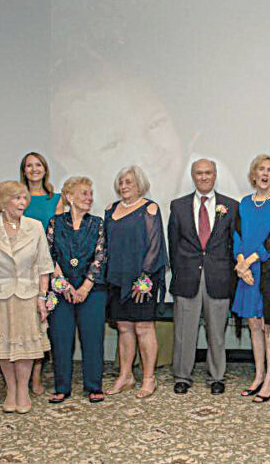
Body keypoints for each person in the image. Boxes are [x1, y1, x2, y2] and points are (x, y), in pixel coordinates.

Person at [0, 181, 54, 414]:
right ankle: (11, 389)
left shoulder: (35, 227)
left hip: (27, 295)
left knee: (26, 348)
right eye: (17, 198)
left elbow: (44, 266)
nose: (22, 203)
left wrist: (42, 297)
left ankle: (23, 391)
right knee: (3, 346)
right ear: (3, 202)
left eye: (24, 198)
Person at [168, 159, 239, 396]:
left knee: (217, 332)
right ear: (193, 176)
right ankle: (182, 376)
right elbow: (173, 245)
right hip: (187, 278)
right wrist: (181, 272)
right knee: (183, 333)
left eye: (208, 173)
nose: (204, 177)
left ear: (215, 175)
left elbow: (232, 245)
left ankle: (217, 376)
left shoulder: (231, 206)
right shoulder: (178, 206)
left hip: (218, 278)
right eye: (199, 173)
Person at [104, 166, 166, 399]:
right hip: (117, 278)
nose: (124, 185)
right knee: (123, 327)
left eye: (129, 181)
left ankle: (149, 378)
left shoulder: (149, 208)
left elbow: (155, 245)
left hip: (142, 280)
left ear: (140, 184)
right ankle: (125, 375)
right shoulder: (110, 210)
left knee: (143, 327)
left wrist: (145, 277)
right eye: (121, 181)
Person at [45, 176, 107, 404]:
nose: (89, 198)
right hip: (62, 291)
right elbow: (49, 256)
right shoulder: (55, 223)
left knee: (92, 338)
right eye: (84, 193)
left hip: (93, 291)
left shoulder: (98, 223)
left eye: (90, 194)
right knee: (61, 338)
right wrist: (65, 286)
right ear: (70, 197)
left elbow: (100, 257)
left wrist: (84, 287)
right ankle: (61, 387)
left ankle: (94, 386)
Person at [231, 155, 270, 402]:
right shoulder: (243, 203)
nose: (265, 174)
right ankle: (259, 375)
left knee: (268, 325)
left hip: (268, 271)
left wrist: (250, 261)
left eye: (269, 170)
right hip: (246, 272)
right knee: (253, 324)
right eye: (261, 169)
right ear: (254, 174)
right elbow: (236, 236)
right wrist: (240, 263)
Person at [19, 151, 63, 395]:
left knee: (42, 324)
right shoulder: (18, 197)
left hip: (46, 268)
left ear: (45, 169)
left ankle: (36, 377)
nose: (34, 169)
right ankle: (18, 378)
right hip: (20, 270)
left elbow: (57, 237)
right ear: (23, 171)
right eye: (29, 166)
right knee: (22, 324)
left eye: (38, 165)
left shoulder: (55, 199)